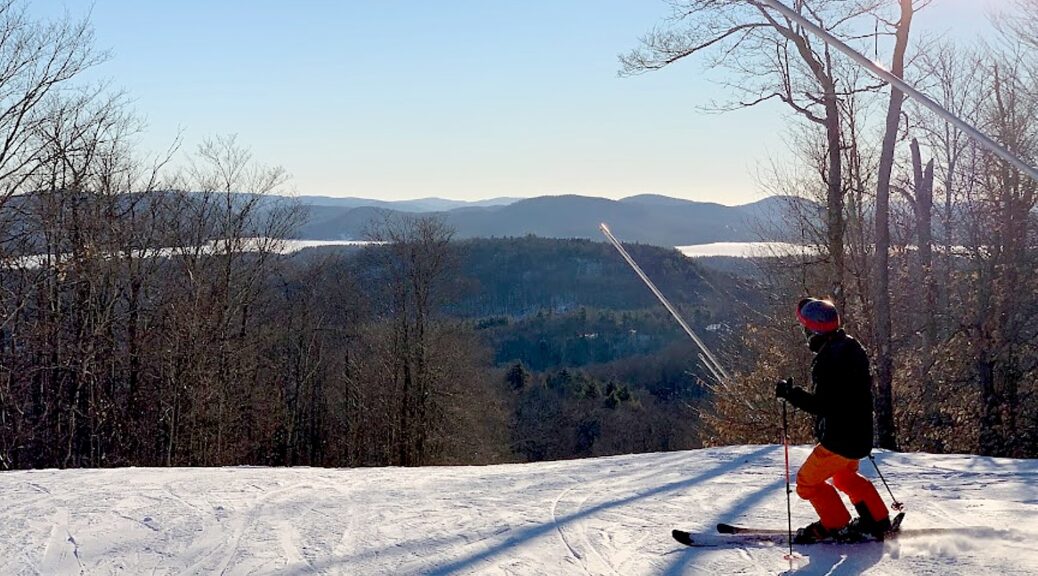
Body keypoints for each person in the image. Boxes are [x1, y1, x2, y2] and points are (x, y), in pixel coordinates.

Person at [775, 297, 892, 543]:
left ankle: (834, 523)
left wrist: (790, 394)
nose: (804, 333)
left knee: (806, 483)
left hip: (839, 440)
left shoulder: (829, 361)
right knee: (843, 477)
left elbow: (822, 405)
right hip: (859, 435)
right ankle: (877, 520)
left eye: (805, 328)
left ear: (813, 330)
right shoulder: (850, 345)